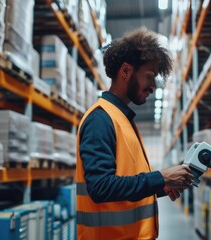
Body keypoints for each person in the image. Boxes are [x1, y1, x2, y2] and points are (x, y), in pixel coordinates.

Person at [76, 27, 194, 240]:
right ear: (126, 71)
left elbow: (126, 184)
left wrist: (161, 185)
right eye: (149, 77)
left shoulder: (123, 119)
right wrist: (161, 176)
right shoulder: (100, 119)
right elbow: (101, 187)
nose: (152, 86)